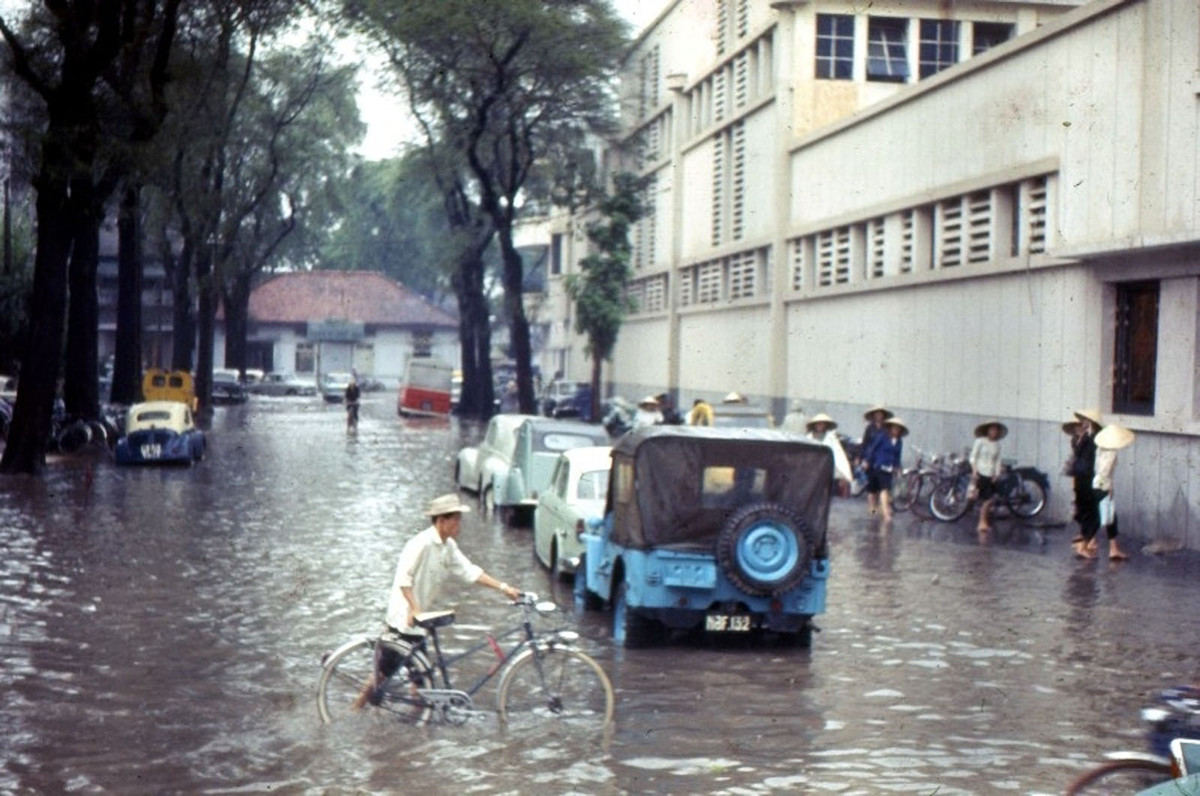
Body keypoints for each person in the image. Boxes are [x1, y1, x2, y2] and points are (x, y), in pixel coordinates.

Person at [355, 494, 523, 709]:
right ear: (442, 521)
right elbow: (403, 579)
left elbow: (470, 572)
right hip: (404, 618)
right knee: (383, 674)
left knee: (420, 677)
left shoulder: (448, 546)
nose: (459, 525)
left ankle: (417, 725)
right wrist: (414, 609)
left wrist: (503, 587)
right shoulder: (421, 543)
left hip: (418, 621)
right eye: (455, 520)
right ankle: (354, 710)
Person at [1087, 424, 1134, 560]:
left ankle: (1093, 541)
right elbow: (1104, 472)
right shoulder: (1111, 453)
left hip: (1096, 483)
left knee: (1103, 515)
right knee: (1109, 517)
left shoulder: (1100, 449)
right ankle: (1110, 548)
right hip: (1103, 485)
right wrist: (1108, 489)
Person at [1069, 409, 1102, 559]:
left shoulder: (1093, 437)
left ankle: (1088, 539)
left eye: (1085, 420)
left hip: (1086, 476)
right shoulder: (1086, 437)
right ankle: (1084, 543)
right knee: (1092, 512)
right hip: (1085, 476)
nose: (1082, 423)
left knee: (1088, 510)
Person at [863, 416, 906, 520]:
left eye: (898, 428)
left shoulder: (899, 441)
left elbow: (897, 455)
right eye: (894, 428)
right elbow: (873, 449)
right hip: (878, 466)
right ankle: (874, 511)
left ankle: (885, 513)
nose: (896, 430)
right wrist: (867, 461)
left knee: (884, 490)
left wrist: (898, 467)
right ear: (890, 428)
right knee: (873, 491)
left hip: (889, 469)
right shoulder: (882, 437)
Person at [970, 420, 1007, 533]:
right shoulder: (980, 441)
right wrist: (974, 469)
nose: (994, 432)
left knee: (990, 499)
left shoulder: (997, 445)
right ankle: (982, 522)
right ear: (988, 430)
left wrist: (997, 473)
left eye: (996, 430)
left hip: (991, 474)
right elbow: (973, 456)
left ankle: (983, 521)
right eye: (992, 429)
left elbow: (997, 461)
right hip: (981, 472)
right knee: (987, 499)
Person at [805, 413, 853, 487]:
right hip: (812, 468)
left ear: (826, 425)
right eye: (818, 424)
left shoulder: (832, 439)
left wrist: (845, 473)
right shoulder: (808, 438)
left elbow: (838, 454)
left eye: (822, 424)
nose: (820, 426)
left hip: (826, 468)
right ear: (814, 425)